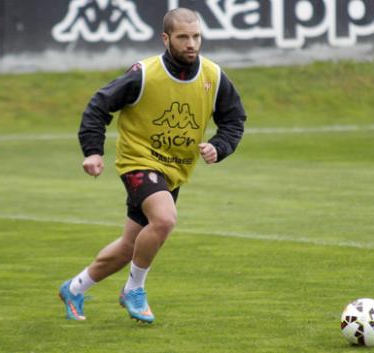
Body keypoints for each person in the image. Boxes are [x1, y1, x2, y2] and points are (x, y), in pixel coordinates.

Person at [58, 8, 246, 324]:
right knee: (164, 219)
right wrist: (93, 151)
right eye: (183, 37)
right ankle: (134, 289)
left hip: (173, 172)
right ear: (166, 38)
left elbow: (234, 119)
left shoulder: (213, 76)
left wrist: (219, 146)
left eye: (196, 36)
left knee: (130, 246)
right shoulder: (144, 73)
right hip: (138, 161)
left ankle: (75, 287)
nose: (191, 43)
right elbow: (98, 106)